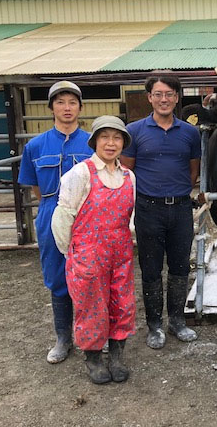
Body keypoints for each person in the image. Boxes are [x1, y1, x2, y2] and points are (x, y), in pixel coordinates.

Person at [51, 116, 136, 384]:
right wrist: (72, 253)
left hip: (120, 252)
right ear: (95, 141)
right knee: (91, 306)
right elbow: (63, 216)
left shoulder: (128, 176)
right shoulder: (81, 174)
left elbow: (129, 217)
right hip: (88, 253)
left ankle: (117, 356)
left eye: (117, 138)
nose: (111, 143)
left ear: (123, 143)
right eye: (105, 137)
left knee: (121, 303)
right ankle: (94, 358)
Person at [120, 75, 201, 349]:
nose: (164, 99)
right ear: (149, 98)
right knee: (151, 268)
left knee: (179, 266)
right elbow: (127, 170)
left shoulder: (190, 133)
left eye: (169, 94)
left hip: (179, 209)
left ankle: (177, 321)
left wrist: (176, 193)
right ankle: (154, 325)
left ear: (177, 97)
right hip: (148, 210)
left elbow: (193, 171)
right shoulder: (134, 131)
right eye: (158, 94)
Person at [18, 81, 92, 364]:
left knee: (88, 277)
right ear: (51, 108)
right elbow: (35, 187)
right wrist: (56, 209)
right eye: (60, 102)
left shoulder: (92, 142)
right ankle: (63, 337)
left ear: (80, 107)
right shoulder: (35, 146)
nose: (67, 108)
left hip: (87, 215)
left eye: (72, 102)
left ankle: (90, 334)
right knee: (57, 277)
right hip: (51, 210)